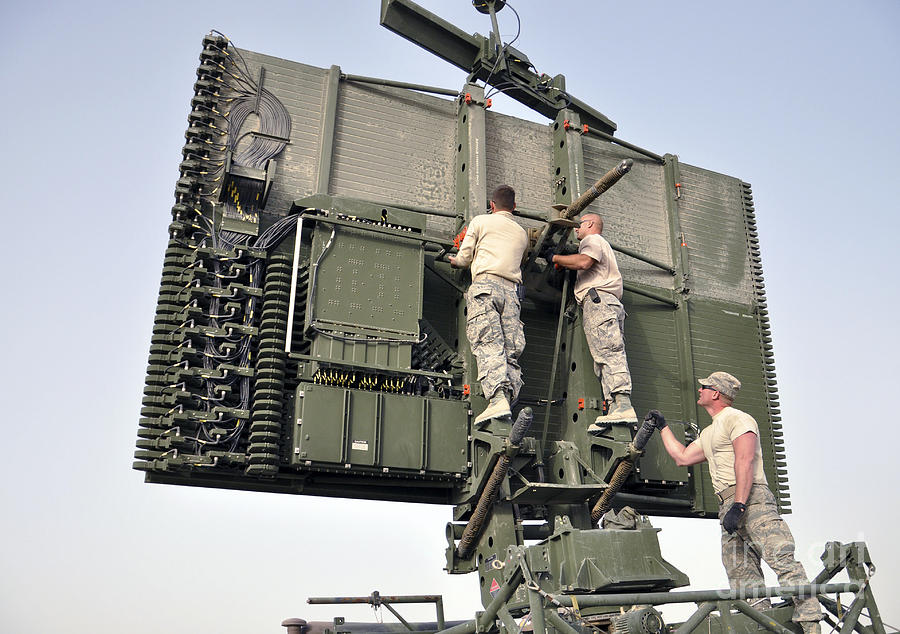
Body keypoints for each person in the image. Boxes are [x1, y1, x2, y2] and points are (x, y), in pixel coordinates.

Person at [647, 372, 821, 631]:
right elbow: (682, 457)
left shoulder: (738, 419)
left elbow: (745, 459)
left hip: (753, 500)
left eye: (704, 387)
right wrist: (662, 427)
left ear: (716, 393)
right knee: (740, 574)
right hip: (728, 506)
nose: (700, 390)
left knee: (781, 558)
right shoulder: (709, 432)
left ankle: (810, 624)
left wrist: (740, 505)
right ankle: (761, 626)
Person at [450, 185, 529, 424]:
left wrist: (455, 261)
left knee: (488, 343)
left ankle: (496, 400)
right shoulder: (522, 233)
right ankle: (508, 399)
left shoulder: (481, 221)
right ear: (514, 207)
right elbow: (522, 260)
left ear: (492, 205)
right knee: (510, 351)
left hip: (486, 287)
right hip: (512, 295)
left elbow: (464, 258)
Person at [551, 213, 636, 430]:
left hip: (599, 302)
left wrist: (555, 258)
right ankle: (615, 408)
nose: (576, 230)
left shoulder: (593, 241)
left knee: (608, 353)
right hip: (605, 303)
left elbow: (584, 261)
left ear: (589, 224)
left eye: (579, 225)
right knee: (603, 357)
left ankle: (623, 404)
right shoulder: (599, 244)